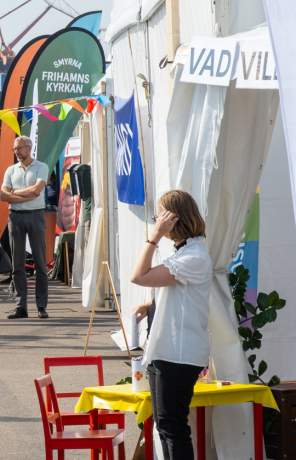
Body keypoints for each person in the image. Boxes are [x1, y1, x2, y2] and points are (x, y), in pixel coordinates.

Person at [129, 190, 211, 460]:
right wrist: (151, 306)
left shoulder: (194, 256)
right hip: (168, 351)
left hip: (178, 353)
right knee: (165, 427)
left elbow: (139, 276)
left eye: (159, 216)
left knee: (172, 427)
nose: (156, 222)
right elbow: (177, 293)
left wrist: (154, 237)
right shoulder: (187, 252)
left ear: (173, 219)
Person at [0, 136, 50, 319]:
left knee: (40, 263)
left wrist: (13, 193)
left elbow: (37, 191)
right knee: (17, 264)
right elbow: (3, 196)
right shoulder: (11, 170)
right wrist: (23, 195)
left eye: (19, 148)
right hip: (15, 216)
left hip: (35, 215)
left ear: (29, 148)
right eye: (14, 149)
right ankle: (21, 306)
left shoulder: (41, 167)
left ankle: (41, 306)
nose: (16, 152)